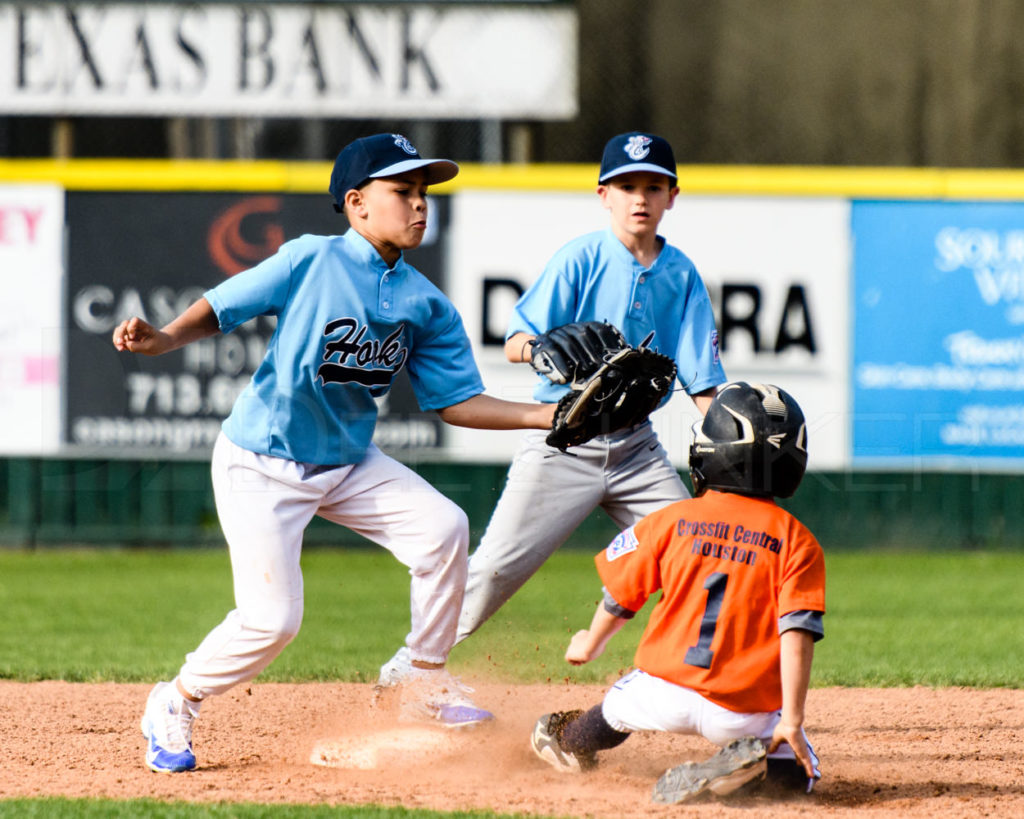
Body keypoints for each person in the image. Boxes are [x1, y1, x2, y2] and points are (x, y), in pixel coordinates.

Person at [112, 133, 555, 773]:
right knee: (271, 621)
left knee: (442, 528)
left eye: (423, 193)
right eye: (401, 191)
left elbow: (458, 401)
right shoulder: (310, 259)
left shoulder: (424, 303)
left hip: (346, 462)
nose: (419, 205)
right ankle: (175, 701)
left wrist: (549, 414)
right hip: (261, 461)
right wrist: (164, 339)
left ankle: (421, 682)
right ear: (357, 203)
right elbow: (224, 307)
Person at [378, 131, 727, 686]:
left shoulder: (681, 275)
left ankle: (691, 681)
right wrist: (537, 349)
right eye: (627, 185)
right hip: (563, 441)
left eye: (652, 186)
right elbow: (517, 339)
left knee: (703, 556)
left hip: (638, 450)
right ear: (604, 195)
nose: (640, 198)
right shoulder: (581, 258)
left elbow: (703, 382)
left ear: (672, 196)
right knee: (493, 571)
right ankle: (411, 668)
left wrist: (731, 436)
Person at [528, 382, 825, 805]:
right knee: (800, 768)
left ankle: (570, 744)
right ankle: (754, 772)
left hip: (658, 693)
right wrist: (791, 720)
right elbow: (797, 632)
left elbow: (621, 596)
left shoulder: (671, 520)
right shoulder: (799, 541)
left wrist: (590, 643)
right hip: (740, 711)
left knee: (612, 710)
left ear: (714, 451)